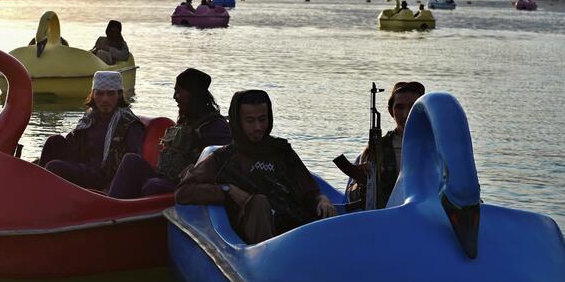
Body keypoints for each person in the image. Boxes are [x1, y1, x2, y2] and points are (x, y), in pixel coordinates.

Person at [175, 90, 335, 244]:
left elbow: (310, 191)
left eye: (262, 119)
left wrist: (321, 200)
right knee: (259, 202)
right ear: (238, 121)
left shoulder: (282, 151)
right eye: (250, 121)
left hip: (294, 230)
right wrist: (227, 190)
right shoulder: (223, 158)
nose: (258, 127)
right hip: (257, 246)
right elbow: (183, 192)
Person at [108, 68, 231, 198]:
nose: (174, 97)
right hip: (166, 177)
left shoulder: (216, 127)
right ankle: (111, 206)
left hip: (187, 186)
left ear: (193, 94)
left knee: (153, 185)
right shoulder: (187, 120)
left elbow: (221, 166)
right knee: (131, 160)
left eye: (178, 92)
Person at [39, 71, 144, 189]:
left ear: (119, 95)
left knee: (54, 167)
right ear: (93, 94)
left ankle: (42, 191)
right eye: (100, 94)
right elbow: (73, 141)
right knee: (54, 141)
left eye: (110, 94)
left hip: (104, 177)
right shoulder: (90, 117)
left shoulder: (129, 124)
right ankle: (35, 186)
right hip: (84, 165)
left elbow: (133, 164)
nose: (105, 99)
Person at [346, 81, 425, 209]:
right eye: (399, 107)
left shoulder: (437, 146)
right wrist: (365, 182)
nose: (406, 114)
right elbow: (351, 197)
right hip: (386, 218)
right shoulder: (376, 149)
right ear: (390, 111)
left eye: (413, 107)